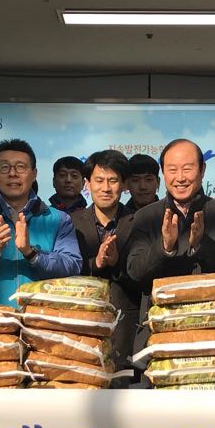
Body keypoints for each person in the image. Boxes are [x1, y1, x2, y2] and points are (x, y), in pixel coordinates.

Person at [0, 139, 82, 306]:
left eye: (21, 167)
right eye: (4, 167)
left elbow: (72, 268)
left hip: (44, 317)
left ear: (34, 174)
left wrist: (32, 254)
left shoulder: (59, 219)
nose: (12, 173)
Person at [126, 139, 215, 306]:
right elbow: (135, 273)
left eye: (187, 169)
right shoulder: (145, 216)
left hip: (212, 314)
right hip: (162, 315)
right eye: (172, 170)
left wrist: (201, 245)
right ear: (163, 173)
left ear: (202, 170)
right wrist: (164, 247)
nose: (180, 178)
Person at [73, 150, 140, 371]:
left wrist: (117, 263)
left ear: (124, 185)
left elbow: (145, 274)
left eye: (113, 181)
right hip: (82, 323)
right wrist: (97, 263)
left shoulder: (139, 222)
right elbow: (66, 272)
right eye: (99, 180)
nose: (105, 188)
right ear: (87, 183)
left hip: (127, 326)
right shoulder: (71, 222)